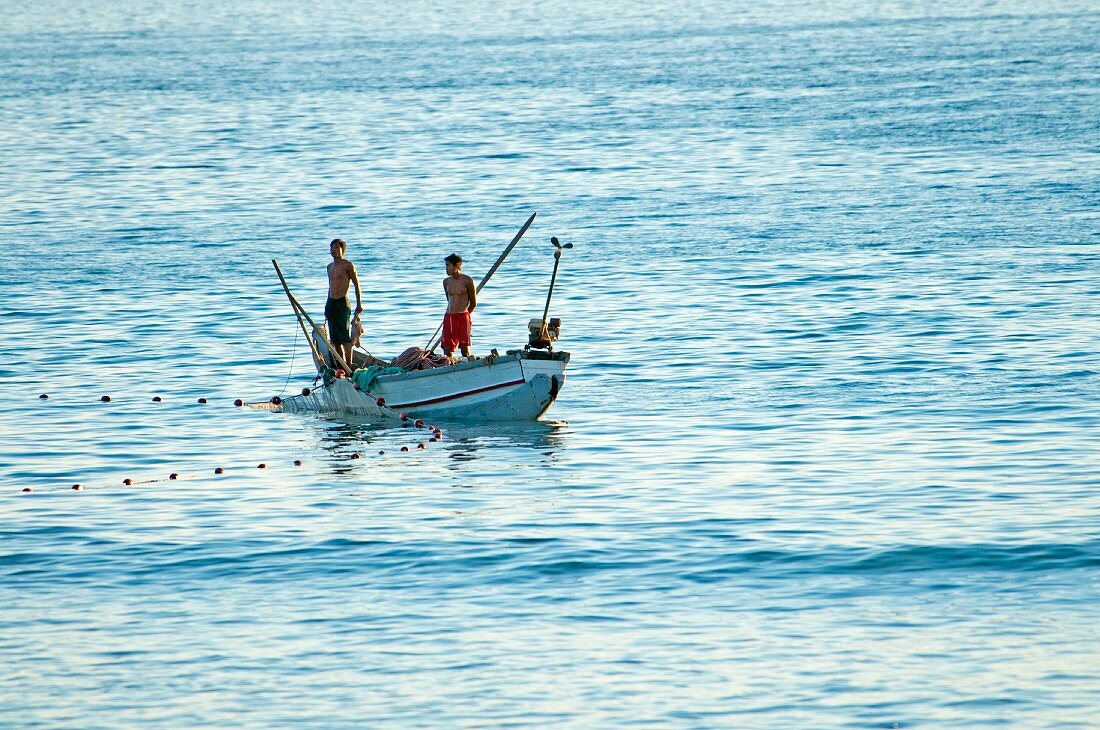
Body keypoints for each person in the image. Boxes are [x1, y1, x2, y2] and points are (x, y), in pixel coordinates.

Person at [324, 238, 363, 369]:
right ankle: (341, 366)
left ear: (342, 250)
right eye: (331, 248)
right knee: (335, 339)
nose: (333, 250)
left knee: (345, 336)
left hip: (342, 302)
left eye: (336, 248)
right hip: (331, 302)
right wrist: (327, 304)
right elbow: (330, 286)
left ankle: (349, 364)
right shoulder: (329, 267)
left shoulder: (348, 265)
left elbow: (357, 285)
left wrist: (359, 304)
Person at [441, 252, 476, 362]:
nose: (446, 269)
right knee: (447, 348)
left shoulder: (468, 281)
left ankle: (468, 365)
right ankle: (450, 366)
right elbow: (449, 300)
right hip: (449, 316)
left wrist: (465, 315)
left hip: (462, 316)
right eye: (445, 266)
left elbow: (473, 303)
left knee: (465, 349)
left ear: (457, 265)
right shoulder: (446, 282)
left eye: (448, 266)